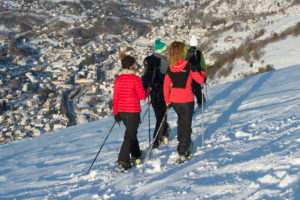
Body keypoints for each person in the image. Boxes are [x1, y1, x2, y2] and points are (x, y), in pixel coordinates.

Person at [163, 41, 206, 164]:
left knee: (181, 121)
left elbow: (166, 86)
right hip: (187, 100)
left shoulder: (171, 67)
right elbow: (200, 80)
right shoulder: (188, 66)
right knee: (186, 125)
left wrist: (167, 100)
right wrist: (202, 72)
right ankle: (183, 152)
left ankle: (182, 141)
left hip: (174, 100)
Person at [113, 52, 149, 171]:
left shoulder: (118, 80)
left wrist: (116, 113)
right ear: (131, 66)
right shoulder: (135, 79)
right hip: (133, 111)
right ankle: (123, 161)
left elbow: (116, 97)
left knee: (131, 133)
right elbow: (142, 96)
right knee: (129, 136)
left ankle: (136, 153)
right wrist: (148, 90)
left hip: (122, 111)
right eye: (134, 64)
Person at [142, 39, 170, 148]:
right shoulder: (165, 62)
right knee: (162, 115)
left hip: (152, 92)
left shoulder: (148, 61)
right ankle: (157, 138)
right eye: (166, 51)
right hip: (162, 92)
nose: (167, 52)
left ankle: (163, 131)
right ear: (162, 51)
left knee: (159, 114)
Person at [185, 35, 208, 108]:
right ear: (196, 44)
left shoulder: (186, 53)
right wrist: (204, 75)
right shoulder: (199, 53)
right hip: (196, 73)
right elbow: (203, 65)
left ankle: (191, 106)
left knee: (190, 90)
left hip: (188, 74)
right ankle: (200, 102)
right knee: (198, 88)